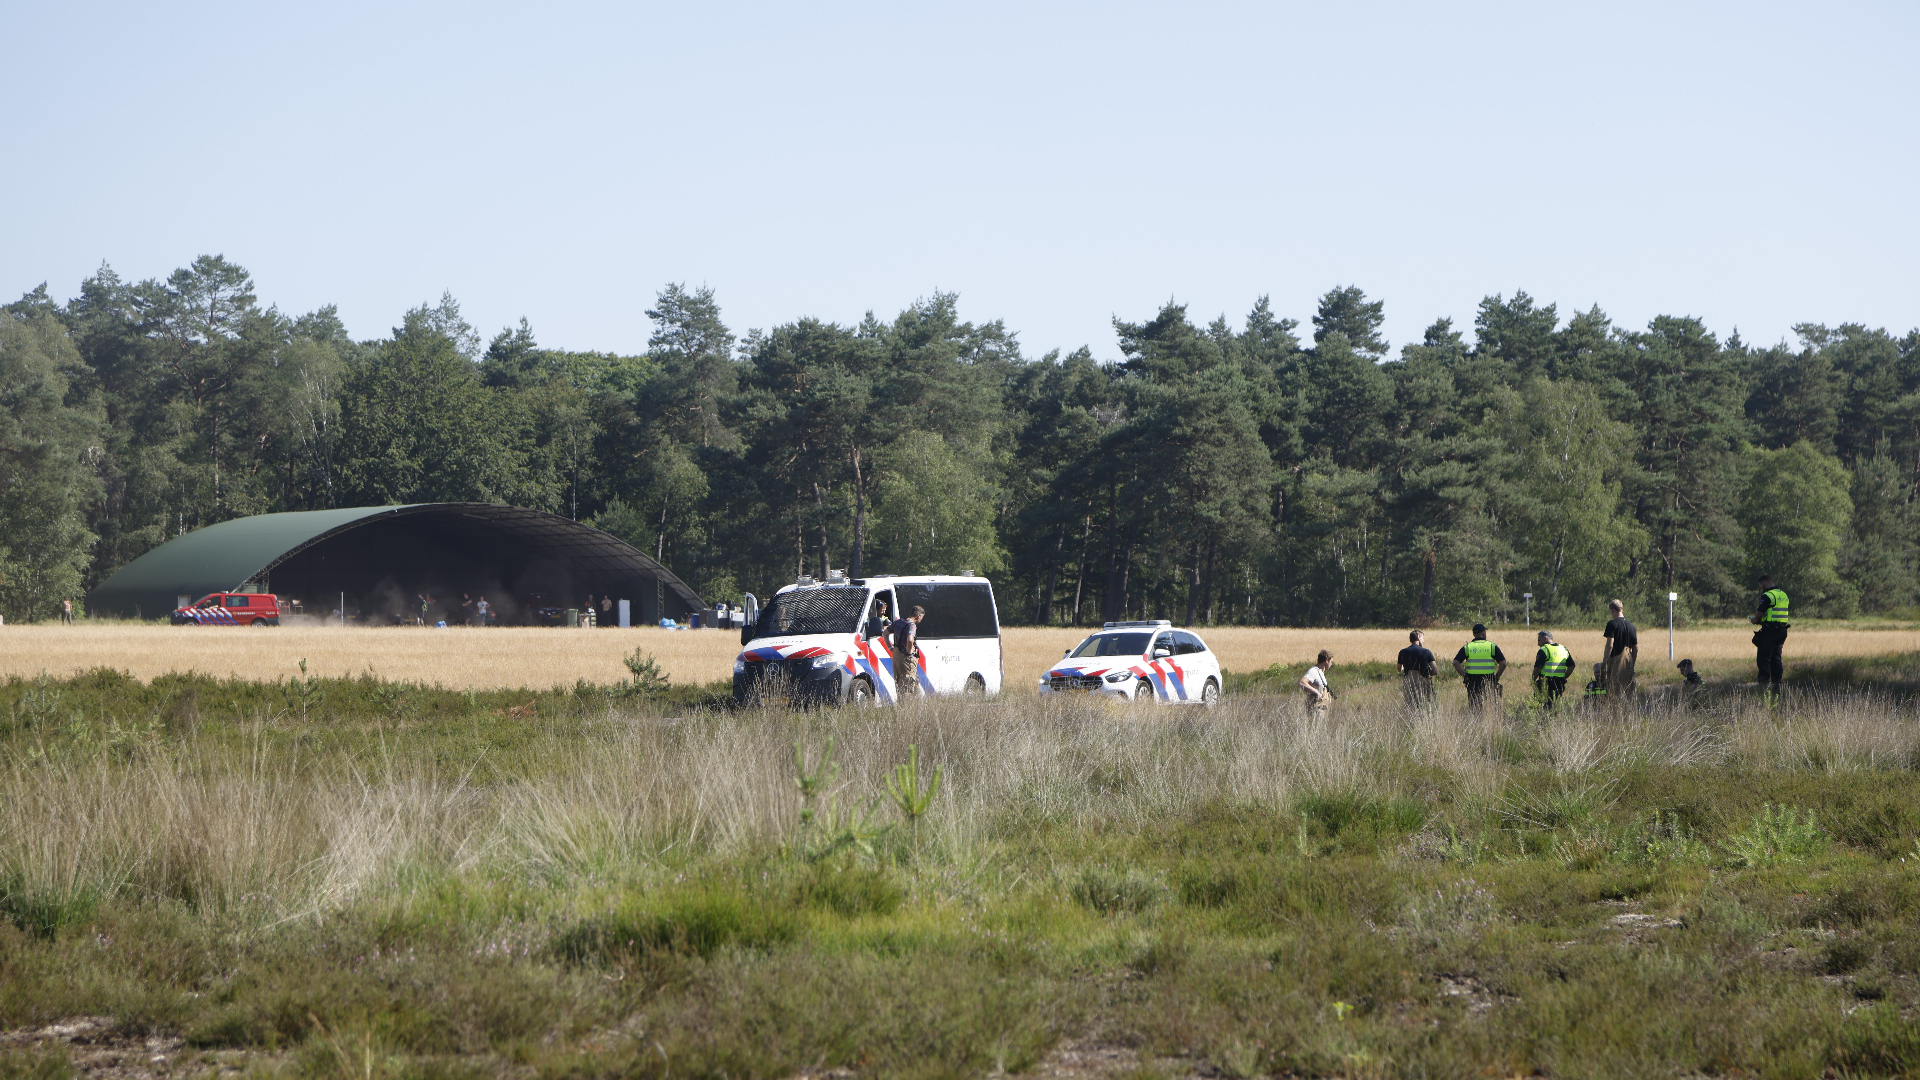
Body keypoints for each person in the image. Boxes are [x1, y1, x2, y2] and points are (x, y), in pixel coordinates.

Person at [1749, 573, 1790, 696]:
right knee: (1776, 659)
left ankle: (1763, 688)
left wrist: (1754, 620)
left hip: (1770, 631)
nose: (1761, 588)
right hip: (1782, 631)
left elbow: (1759, 614)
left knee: (1764, 659)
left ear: (1764, 583)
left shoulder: (1768, 595)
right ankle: (1777, 687)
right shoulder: (1783, 595)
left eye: (1761, 585)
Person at [1453, 624, 1507, 710]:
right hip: (1489, 680)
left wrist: (1464, 675)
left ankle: (1476, 719)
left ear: (1474, 634)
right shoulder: (1492, 646)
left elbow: (1456, 663)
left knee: (1475, 709)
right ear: (1483, 633)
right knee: (1491, 707)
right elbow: (1503, 664)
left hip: (1472, 681)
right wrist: (1496, 677)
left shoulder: (1468, 647)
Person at [1602, 599, 1638, 697]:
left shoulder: (1612, 624)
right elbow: (1635, 649)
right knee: (1628, 691)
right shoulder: (1632, 626)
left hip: (1615, 662)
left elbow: (1610, 645)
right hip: (1628, 662)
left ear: (1612, 610)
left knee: (1614, 691)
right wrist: (1632, 664)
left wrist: (1604, 662)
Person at [889, 605, 925, 697]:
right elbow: (910, 639)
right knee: (909, 687)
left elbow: (885, 633)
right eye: (922, 617)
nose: (921, 620)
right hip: (906, 658)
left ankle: (901, 704)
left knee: (899, 686)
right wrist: (909, 652)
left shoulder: (898, 622)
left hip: (896, 656)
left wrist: (890, 647)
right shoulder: (911, 625)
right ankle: (909, 705)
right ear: (919, 616)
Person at [1532, 630, 1574, 706]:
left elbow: (1537, 669)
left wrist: (1532, 680)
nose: (1538, 643)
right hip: (1559, 684)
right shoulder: (1563, 649)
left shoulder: (1544, 650)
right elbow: (1571, 666)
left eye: (1539, 640)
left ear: (1545, 638)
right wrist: (1563, 677)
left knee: (1541, 706)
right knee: (1555, 705)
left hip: (1546, 684)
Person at [1397, 630, 1437, 709]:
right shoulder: (1426, 652)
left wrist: (1406, 665)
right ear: (1418, 638)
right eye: (1422, 638)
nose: (1423, 640)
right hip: (1424, 682)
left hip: (1409, 682)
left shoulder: (1403, 652)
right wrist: (1430, 672)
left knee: (1410, 705)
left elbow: (1399, 669)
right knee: (1427, 703)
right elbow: (1435, 671)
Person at [1299, 650, 1335, 716]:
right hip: (1316, 708)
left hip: (1322, 708)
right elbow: (1302, 682)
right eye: (1331, 662)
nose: (1331, 664)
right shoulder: (1313, 671)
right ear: (1327, 661)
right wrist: (1316, 692)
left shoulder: (1320, 672)